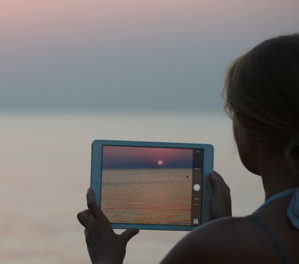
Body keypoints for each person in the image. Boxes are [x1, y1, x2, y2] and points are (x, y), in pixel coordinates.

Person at [77, 33, 299, 264]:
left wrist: (106, 258)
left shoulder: (214, 245)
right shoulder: (224, 241)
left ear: (251, 127)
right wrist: (220, 226)